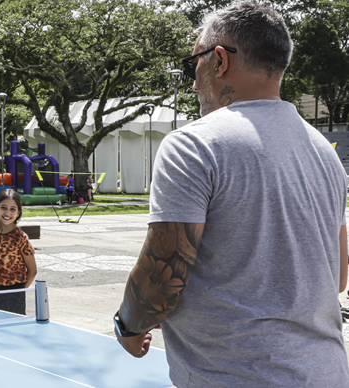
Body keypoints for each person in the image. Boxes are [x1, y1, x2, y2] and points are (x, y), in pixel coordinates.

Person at [113, 3, 349, 387]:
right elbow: (338, 276)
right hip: (327, 373)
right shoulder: (324, 153)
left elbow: (161, 281)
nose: (192, 82)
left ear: (219, 60)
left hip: (233, 375)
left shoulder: (194, 145)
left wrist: (127, 324)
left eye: (194, 65)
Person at [0, 189, 37, 314]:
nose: (7, 213)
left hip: (14, 294)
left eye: (12, 209)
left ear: (18, 213)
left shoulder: (21, 238)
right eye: (3, 207)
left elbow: (32, 271)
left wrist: (18, 292)